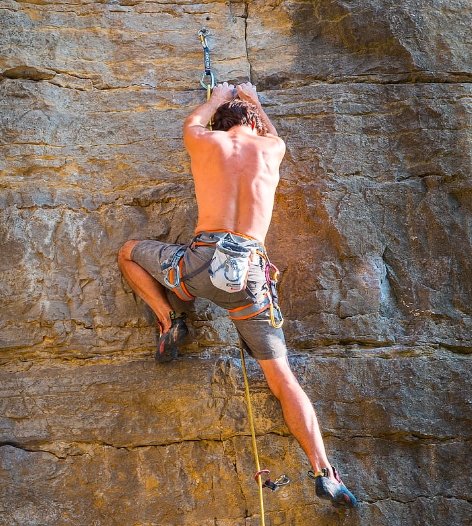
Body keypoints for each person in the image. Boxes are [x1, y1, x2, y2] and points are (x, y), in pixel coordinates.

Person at [118, 82, 357, 509]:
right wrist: (252, 98)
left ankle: (170, 319)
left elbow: (192, 121)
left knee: (129, 253)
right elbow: (269, 131)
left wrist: (217, 97)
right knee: (283, 378)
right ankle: (325, 473)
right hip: (249, 278)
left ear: (218, 122)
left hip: (197, 266)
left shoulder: (202, 139)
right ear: (251, 121)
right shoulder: (273, 148)